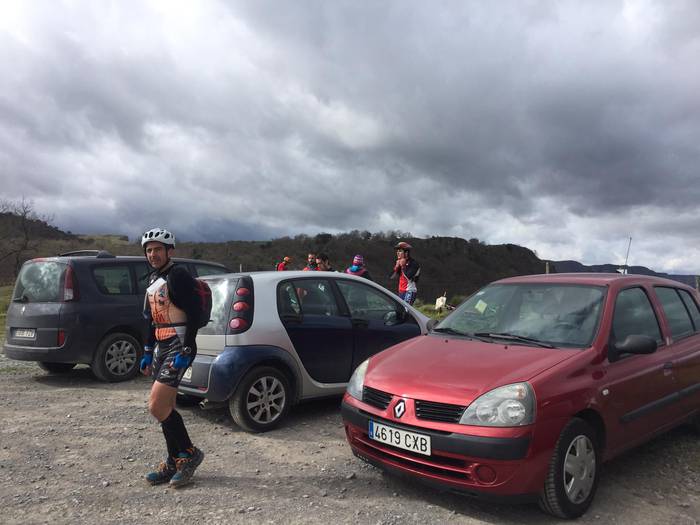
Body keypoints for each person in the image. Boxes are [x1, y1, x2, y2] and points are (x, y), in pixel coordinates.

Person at [139, 228, 204, 487]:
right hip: (161, 346)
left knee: (156, 406)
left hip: (178, 345)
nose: (153, 254)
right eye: (149, 250)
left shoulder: (178, 276)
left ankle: (189, 453)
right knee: (167, 407)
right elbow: (151, 318)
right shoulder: (153, 278)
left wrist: (187, 350)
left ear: (170, 251)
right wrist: (147, 350)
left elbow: (195, 314)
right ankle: (172, 460)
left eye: (158, 249)